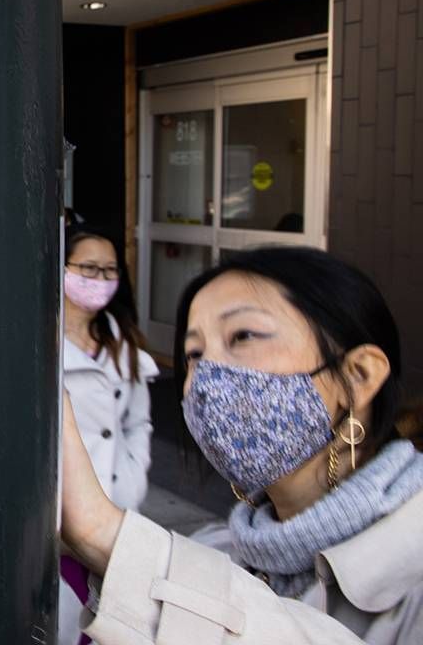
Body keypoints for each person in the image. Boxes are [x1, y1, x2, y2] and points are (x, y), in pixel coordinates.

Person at [61, 247, 421, 644]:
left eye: (243, 336)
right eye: (194, 354)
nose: (206, 378)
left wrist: (104, 535)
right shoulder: (213, 549)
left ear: (358, 376)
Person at [59, 225, 156, 645]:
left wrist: (133, 478)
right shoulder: (39, 339)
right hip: (60, 521)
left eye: (109, 271)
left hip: (118, 510)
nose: (99, 281)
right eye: (88, 269)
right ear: (62, 268)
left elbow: (137, 422)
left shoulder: (123, 343)